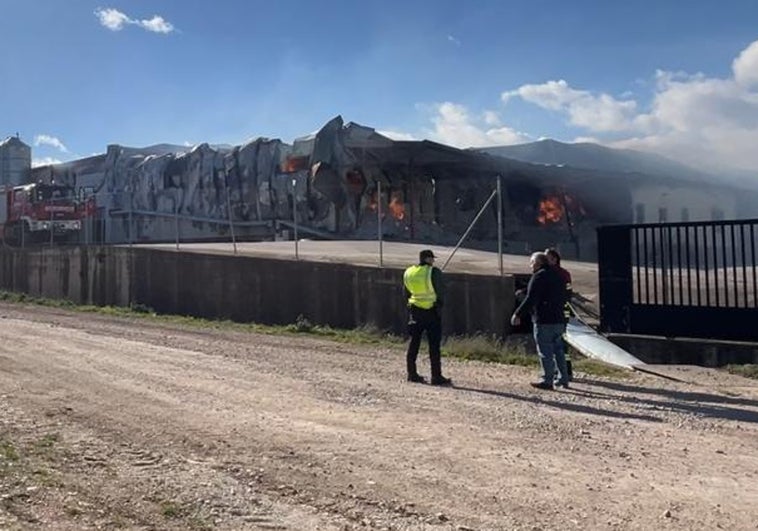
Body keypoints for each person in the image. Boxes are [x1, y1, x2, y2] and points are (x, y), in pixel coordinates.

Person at [510, 252, 570, 390]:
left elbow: (531, 298)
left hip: (544, 319)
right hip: (559, 319)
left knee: (545, 350)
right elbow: (566, 295)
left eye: (531, 263)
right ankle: (563, 378)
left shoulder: (539, 276)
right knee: (559, 350)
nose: (530, 266)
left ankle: (547, 380)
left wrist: (518, 314)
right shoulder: (559, 275)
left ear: (538, 263)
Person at [403, 249, 452, 386]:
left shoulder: (409, 272)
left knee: (414, 343)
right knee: (434, 345)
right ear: (427, 259)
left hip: (415, 311)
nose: (433, 261)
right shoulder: (433, 272)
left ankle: (412, 374)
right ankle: (436, 376)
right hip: (431, 311)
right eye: (432, 258)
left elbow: (406, 292)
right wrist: (440, 305)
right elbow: (441, 290)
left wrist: (411, 306)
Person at [545, 247, 573, 381]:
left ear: (555, 259)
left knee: (560, 344)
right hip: (558, 312)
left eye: (548, 258)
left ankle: (565, 372)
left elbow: (568, 293)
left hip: (560, 313)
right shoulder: (553, 273)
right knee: (555, 344)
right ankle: (560, 372)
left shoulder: (561, 274)